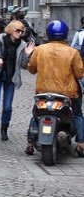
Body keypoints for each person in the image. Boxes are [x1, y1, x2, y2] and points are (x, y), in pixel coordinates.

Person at [25, 20, 84, 156]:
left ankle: (29, 142)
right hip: (67, 93)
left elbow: (32, 69)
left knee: (36, 114)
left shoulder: (39, 50)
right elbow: (80, 74)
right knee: (78, 114)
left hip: (43, 91)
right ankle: (81, 144)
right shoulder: (72, 52)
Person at [0, 20, 35, 142]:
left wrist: (27, 55)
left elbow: (24, 66)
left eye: (22, 31)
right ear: (11, 29)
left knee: (7, 107)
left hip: (11, 78)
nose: (20, 33)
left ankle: (4, 129)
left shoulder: (22, 46)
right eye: (17, 30)